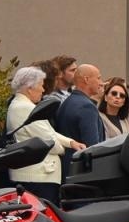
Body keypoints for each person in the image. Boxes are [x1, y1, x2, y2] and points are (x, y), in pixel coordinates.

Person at [5, 66, 81, 204]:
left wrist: (71, 142)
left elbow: (47, 131)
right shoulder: (24, 107)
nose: (43, 90)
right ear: (29, 88)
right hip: (37, 177)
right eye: (40, 85)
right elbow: (48, 141)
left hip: (39, 175)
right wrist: (63, 149)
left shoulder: (23, 105)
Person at [52, 63, 105, 161]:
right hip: (81, 169)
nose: (101, 83)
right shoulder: (87, 107)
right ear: (86, 79)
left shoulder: (67, 102)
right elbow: (93, 147)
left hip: (68, 166)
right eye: (98, 78)